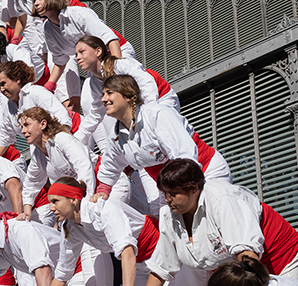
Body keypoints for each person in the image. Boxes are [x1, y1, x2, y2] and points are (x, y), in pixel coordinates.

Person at [93, 74, 230, 216]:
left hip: (204, 172)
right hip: (173, 186)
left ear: (127, 95)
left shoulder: (157, 114)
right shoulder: (117, 135)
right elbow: (110, 164)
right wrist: (103, 191)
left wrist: (182, 194)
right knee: (167, 223)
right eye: (103, 94)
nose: (103, 99)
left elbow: (185, 156)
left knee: (215, 217)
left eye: (109, 93)